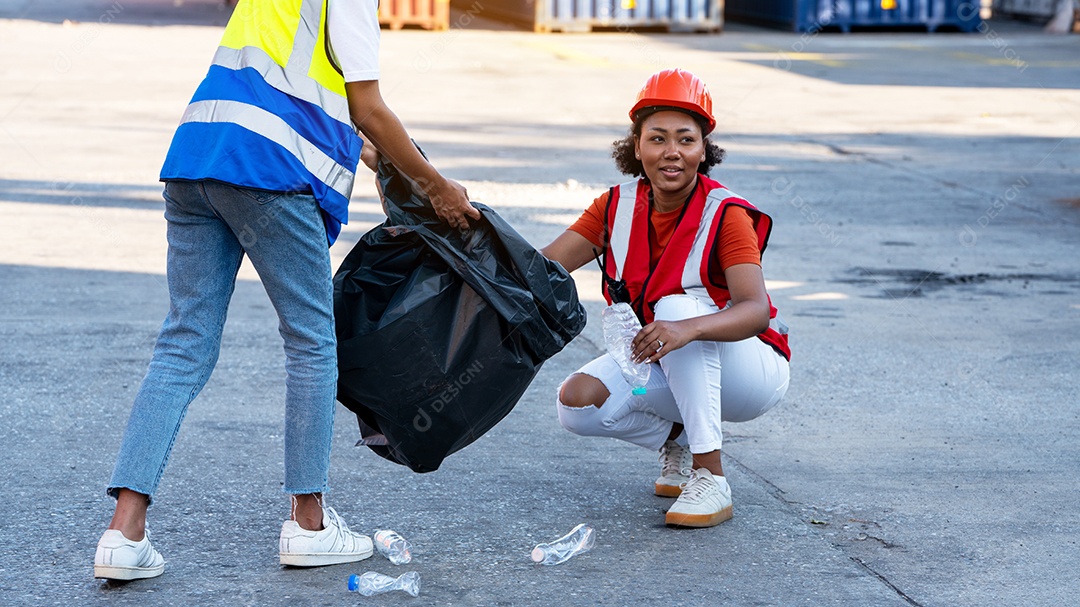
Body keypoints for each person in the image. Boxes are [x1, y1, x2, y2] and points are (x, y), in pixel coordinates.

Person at [93, 0, 479, 581]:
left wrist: (372, 156)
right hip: (267, 171)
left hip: (198, 156)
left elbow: (293, 95)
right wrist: (436, 186)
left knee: (182, 345)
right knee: (311, 343)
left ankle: (124, 533)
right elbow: (368, 107)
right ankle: (308, 524)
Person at [541, 68, 791, 528]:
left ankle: (710, 475)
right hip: (668, 359)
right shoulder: (613, 205)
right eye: (657, 139)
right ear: (636, 147)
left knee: (675, 307)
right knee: (576, 402)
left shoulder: (726, 213)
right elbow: (542, 269)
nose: (671, 152)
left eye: (686, 139)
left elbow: (755, 311)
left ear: (704, 149)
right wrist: (471, 235)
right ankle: (676, 436)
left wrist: (686, 327)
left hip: (750, 371)